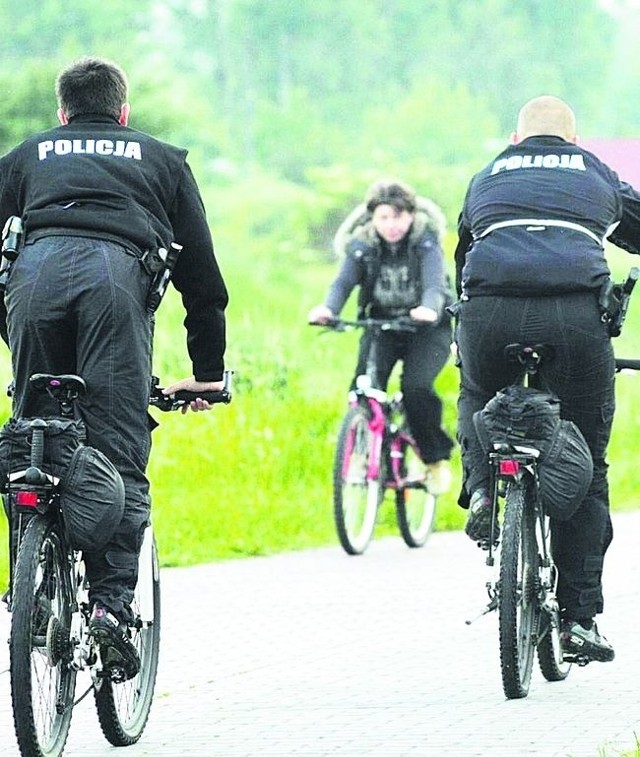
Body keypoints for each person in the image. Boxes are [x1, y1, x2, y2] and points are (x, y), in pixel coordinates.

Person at [0, 57, 229, 678]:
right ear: (124, 113)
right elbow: (202, 279)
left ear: (61, 113)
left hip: (34, 285)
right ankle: (109, 609)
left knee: (32, 441)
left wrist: (17, 337)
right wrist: (208, 370)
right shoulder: (161, 159)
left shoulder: (25, 157)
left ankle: (31, 584)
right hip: (114, 285)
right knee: (119, 451)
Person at [453, 94, 640, 663]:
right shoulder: (597, 173)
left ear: (516, 141)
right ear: (575, 142)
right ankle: (580, 620)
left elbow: (463, 254)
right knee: (589, 459)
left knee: (477, 394)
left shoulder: (487, 175)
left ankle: (484, 486)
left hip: (489, 313)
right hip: (574, 319)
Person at [308, 179, 454, 492]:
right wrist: (327, 309)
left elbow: (434, 285)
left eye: (398, 216)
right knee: (362, 388)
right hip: (381, 327)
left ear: (411, 215)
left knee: (416, 388)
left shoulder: (425, 241)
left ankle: (434, 460)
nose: (391, 225)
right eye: (384, 217)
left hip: (426, 329)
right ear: (372, 217)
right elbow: (342, 284)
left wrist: (428, 308)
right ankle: (361, 453)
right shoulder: (361, 245)